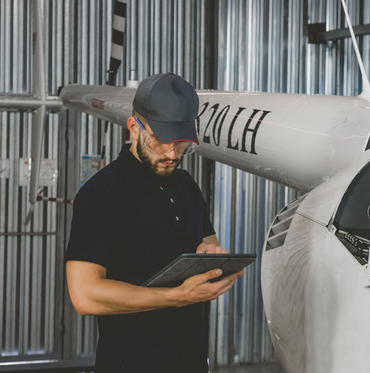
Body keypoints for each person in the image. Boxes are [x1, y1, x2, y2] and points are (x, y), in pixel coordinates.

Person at [65, 73, 244, 372]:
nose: (173, 154)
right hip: (129, 364)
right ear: (134, 128)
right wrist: (176, 297)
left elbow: (208, 245)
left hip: (190, 362)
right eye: (160, 141)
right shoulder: (101, 194)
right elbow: (85, 295)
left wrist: (211, 258)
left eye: (182, 143)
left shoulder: (186, 185)